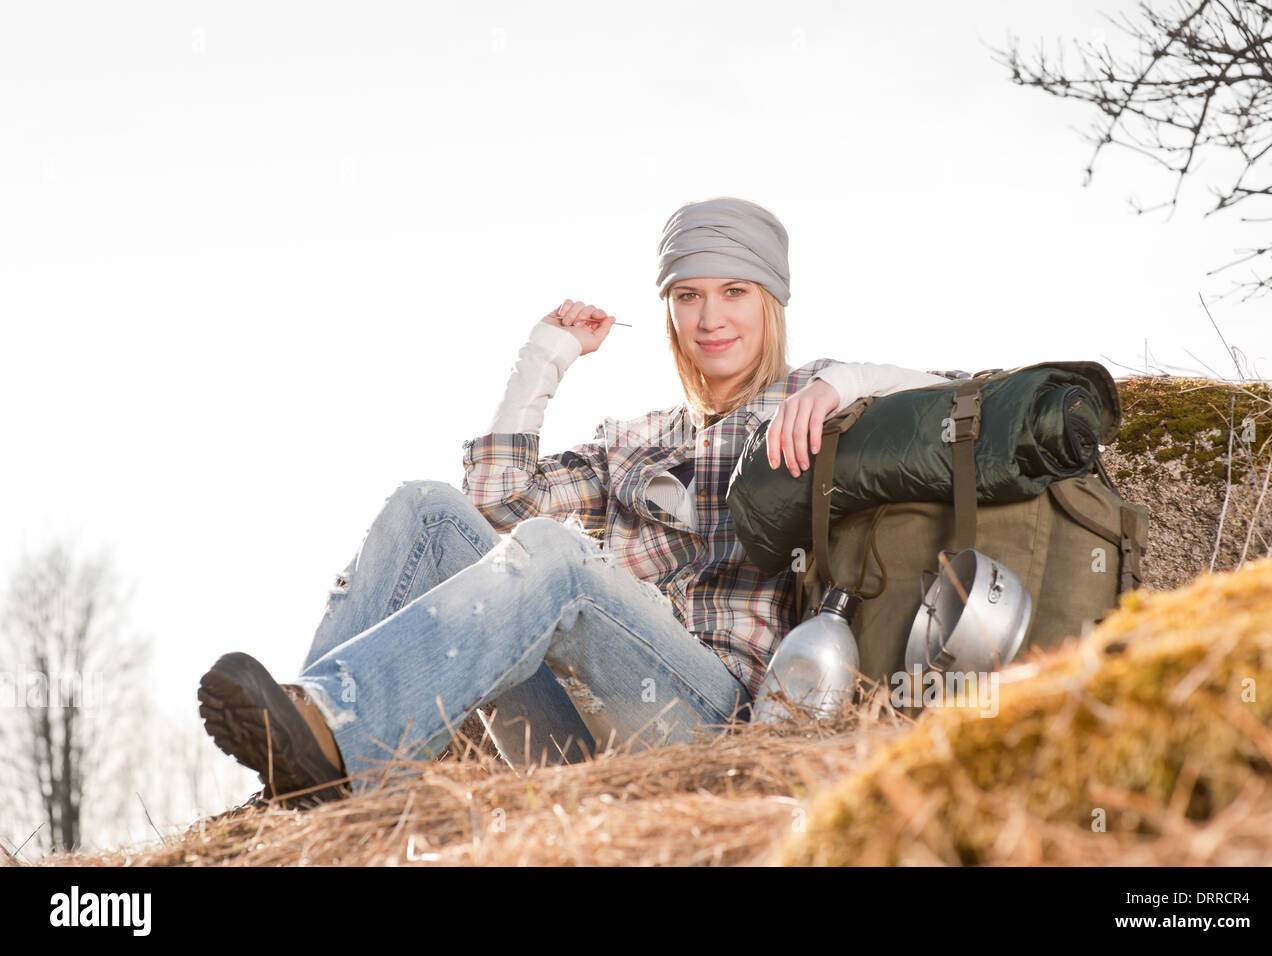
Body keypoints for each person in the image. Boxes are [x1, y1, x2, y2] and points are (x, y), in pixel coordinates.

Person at [197, 196, 947, 804]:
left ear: (770, 302)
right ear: (669, 312)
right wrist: (543, 359)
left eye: (734, 293)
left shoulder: (816, 403)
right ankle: (304, 759)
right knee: (423, 506)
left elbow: (957, 405)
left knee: (560, 552)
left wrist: (838, 386)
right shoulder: (636, 440)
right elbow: (492, 506)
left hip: (707, 723)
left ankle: (336, 731)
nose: (710, 317)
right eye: (688, 296)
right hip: (571, 733)